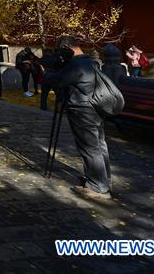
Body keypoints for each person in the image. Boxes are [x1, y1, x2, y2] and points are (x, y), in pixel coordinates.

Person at [43, 35, 112, 200]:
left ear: (67, 48)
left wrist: (45, 74)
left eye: (61, 50)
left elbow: (58, 81)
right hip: (96, 108)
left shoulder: (76, 65)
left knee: (89, 147)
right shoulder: (89, 61)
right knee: (99, 145)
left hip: (82, 110)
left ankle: (98, 186)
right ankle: (103, 179)